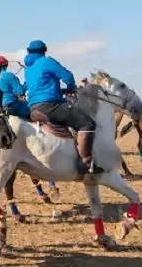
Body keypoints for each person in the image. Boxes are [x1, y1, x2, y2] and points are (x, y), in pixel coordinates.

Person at [24, 40, 102, 174]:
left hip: (33, 108)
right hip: (50, 106)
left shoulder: (28, 68)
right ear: (44, 50)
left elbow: (37, 86)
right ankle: (85, 163)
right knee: (87, 124)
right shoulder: (46, 61)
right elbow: (68, 76)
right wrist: (71, 88)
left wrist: (58, 91)